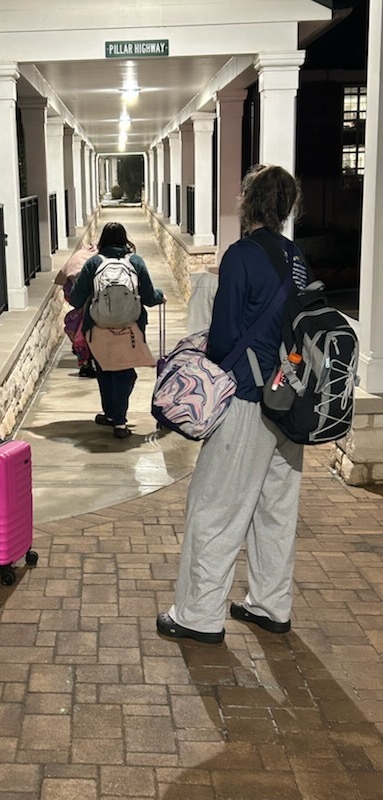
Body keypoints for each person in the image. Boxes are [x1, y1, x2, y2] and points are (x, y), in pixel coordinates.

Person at [157, 164, 310, 644]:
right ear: (286, 208)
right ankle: (270, 604)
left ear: (249, 203)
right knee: (275, 510)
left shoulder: (242, 255)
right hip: (290, 397)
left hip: (247, 399)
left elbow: (223, 335)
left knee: (215, 507)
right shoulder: (297, 258)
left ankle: (198, 616)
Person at [69, 221, 165, 438]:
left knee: (105, 370)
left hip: (98, 328)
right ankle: (119, 421)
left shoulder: (93, 263)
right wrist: (161, 296)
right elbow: (149, 298)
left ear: (102, 240)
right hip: (130, 328)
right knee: (125, 373)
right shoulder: (136, 262)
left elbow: (76, 299)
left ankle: (112, 414)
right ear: (125, 239)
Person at [54, 242, 98, 377]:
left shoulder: (78, 258)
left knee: (82, 328)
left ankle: (86, 361)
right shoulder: (99, 260)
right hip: (97, 301)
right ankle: (90, 360)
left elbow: (70, 292)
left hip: (83, 300)